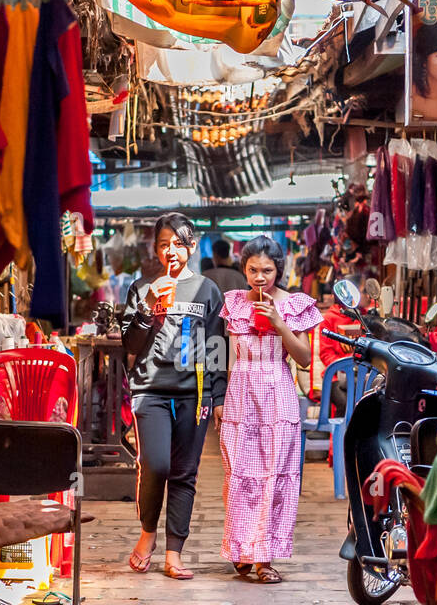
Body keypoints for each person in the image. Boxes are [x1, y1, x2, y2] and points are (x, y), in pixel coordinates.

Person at [120, 212, 227, 580]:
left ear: (192, 247)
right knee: (157, 465)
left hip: (193, 394)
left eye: (179, 244)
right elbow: (130, 345)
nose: (171, 251)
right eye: (164, 244)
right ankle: (147, 533)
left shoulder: (208, 290)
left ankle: (174, 552)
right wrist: (148, 308)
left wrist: (219, 397)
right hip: (149, 391)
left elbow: (216, 345)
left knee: (184, 473)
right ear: (156, 248)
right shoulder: (140, 289)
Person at [219, 235, 322, 583]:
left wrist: (279, 323)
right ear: (243, 269)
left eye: (267, 270)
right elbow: (226, 356)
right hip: (240, 395)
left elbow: (305, 360)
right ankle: (242, 549)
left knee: (275, 477)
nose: (260, 277)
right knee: (238, 476)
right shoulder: (233, 304)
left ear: (279, 270)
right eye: (252, 270)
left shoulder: (294, 305)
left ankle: (264, 558)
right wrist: (219, 401)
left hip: (278, 394)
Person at [317, 273, 375, 414]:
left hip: (363, 375)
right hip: (337, 376)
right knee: (346, 406)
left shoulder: (367, 317)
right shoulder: (330, 319)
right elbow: (326, 354)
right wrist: (348, 366)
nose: (367, 296)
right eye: (363, 291)